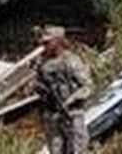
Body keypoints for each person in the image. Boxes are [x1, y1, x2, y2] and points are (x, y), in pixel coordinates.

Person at [31, 25, 91, 154]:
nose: (43, 45)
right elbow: (35, 87)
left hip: (71, 114)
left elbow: (86, 86)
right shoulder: (42, 64)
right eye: (43, 42)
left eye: (48, 42)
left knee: (77, 149)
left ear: (58, 41)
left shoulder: (71, 60)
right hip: (52, 117)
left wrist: (70, 100)